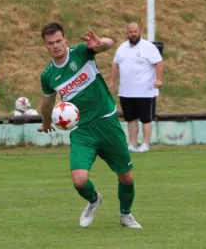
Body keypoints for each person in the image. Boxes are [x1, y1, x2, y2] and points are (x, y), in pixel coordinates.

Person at [37, 22, 142, 229]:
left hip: (106, 121)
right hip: (81, 129)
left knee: (126, 176)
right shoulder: (48, 75)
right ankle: (94, 200)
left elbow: (109, 43)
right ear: (46, 46)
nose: (56, 46)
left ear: (65, 39)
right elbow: (47, 102)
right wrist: (46, 122)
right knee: (79, 180)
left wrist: (100, 43)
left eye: (59, 41)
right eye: (51, 43)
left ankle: (125, 215)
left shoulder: (81, 52)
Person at [109, 23, 164, 153]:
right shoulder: (122, 48)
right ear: (127, 33)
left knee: (146, 118)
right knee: (130, 119)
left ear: (139, 32)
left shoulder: (148, 47)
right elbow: (115, 65)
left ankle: (145, 144)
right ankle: (132, 143)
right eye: (130, 32)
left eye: (135, 31)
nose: (133, 34)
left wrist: (158, 79)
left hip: (145, 91)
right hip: (126, 91)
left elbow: (159, 63)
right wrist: (112, 82)